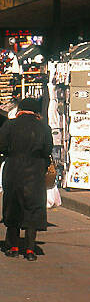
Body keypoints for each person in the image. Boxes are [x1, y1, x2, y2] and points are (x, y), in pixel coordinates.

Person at [0, 96, 53, 260]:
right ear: (35, 111)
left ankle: (13, 246)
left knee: (13, 207)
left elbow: (2, 146)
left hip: (13, 170)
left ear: (20, 109)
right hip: (35, 172)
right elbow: (47, 150)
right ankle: (30, 250)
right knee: (32, 208)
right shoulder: (43, 127)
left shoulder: (9, 125)